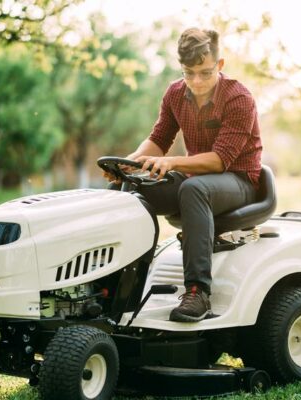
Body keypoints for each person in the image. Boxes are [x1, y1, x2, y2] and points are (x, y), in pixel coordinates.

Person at [103, 27, 262, 322]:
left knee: (194, 189)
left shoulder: (239, 98)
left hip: (239, 180)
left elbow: (220, 161)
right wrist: (130, 164)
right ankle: (113, 286)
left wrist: (174, 163)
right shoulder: (175, 93)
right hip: (196, 178)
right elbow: (159, 140)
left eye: (205, 72)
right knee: (126, 192)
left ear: (220, 65)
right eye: (189, 73)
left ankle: (197, 291)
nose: (196, 81)